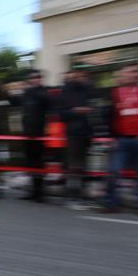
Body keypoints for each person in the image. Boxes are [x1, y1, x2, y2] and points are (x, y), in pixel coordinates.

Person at [105, 62, 138, 212]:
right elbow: (110, 116)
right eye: (128, 72)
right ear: (122, 75)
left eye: (134, 72)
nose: (131, 74)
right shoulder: (115, 92)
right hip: (121, 140)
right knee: (114, 171)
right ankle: (111, 203)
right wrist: (112, 138)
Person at [58, 70, 94, 209]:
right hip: (73, 133)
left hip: (87, 133)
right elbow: (61, 114)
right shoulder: (66, 91)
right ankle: (72, 197)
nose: (82, 77)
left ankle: (82, 196)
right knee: (73, 167)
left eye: (84, 75)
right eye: (79, 75)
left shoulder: (88, 91)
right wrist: (75, 111)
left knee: (84, 166)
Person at [20, 70, 51, 201]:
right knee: (31, 162)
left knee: (39, 163)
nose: (35, 80)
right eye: (32, 78)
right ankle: (33, 191)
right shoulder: (27, 93)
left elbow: (46, 107)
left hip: (39, 133)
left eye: (37, 77)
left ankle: (40, 192)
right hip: (28, 133)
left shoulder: (43, 92)